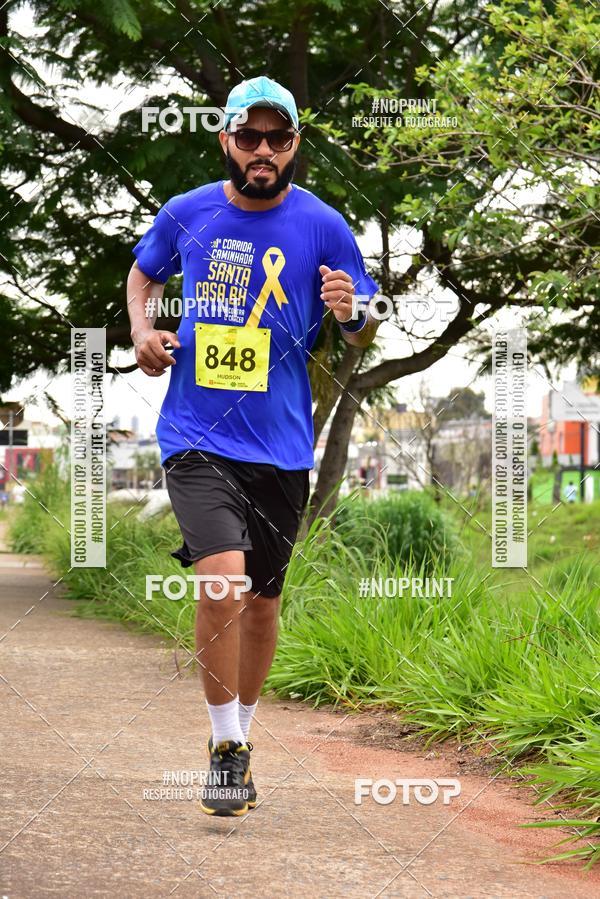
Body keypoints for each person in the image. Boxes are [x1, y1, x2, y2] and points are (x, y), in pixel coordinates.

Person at [127, 75, 380, 816]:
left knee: (264, 604)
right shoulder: (187, 212)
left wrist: (353, 311)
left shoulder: (325, 224)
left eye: (277, 138)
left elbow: (362, 320)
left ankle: (242, 733)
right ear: (227, 140)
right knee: (221, 582)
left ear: (295, 144)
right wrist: (144, 332)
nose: (263, 150)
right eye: (249, 136)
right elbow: (143, 272)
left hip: (281, 445)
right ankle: (222, 744)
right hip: (195, 434)